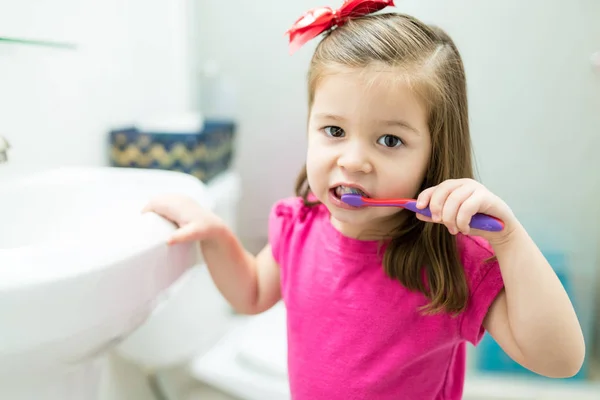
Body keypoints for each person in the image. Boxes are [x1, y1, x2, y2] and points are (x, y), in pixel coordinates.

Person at [143, 1, 585, 398]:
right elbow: (254, 292)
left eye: (389, 140)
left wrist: (511, 241)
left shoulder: (453, 260)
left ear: (433, 157)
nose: (353, 161)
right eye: (333, 131)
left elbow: (559, 360)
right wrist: (217, 235)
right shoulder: (297, 227)